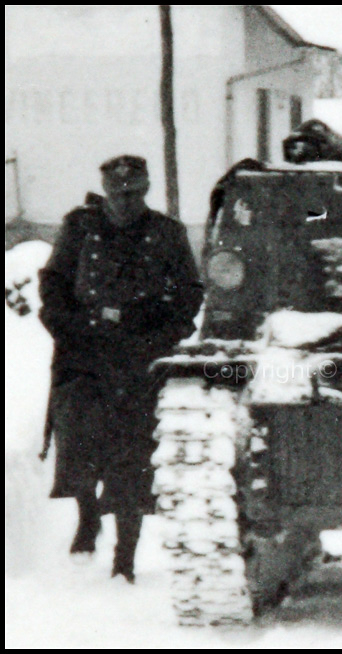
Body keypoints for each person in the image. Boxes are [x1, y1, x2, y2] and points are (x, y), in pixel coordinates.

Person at [39, 155, 203, 582]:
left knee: (132, 457)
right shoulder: (79, 227)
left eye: (134, 193)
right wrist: (67, 324)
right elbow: (54, 281)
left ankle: (124, 558)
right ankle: (88, 516)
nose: (125, 201)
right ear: (105, 191)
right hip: (84, 353)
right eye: (117, 193)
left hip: (138, 360)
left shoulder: (167, 233)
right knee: (76, 442)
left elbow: (188, 294)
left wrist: (158, 335)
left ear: (145, 190)